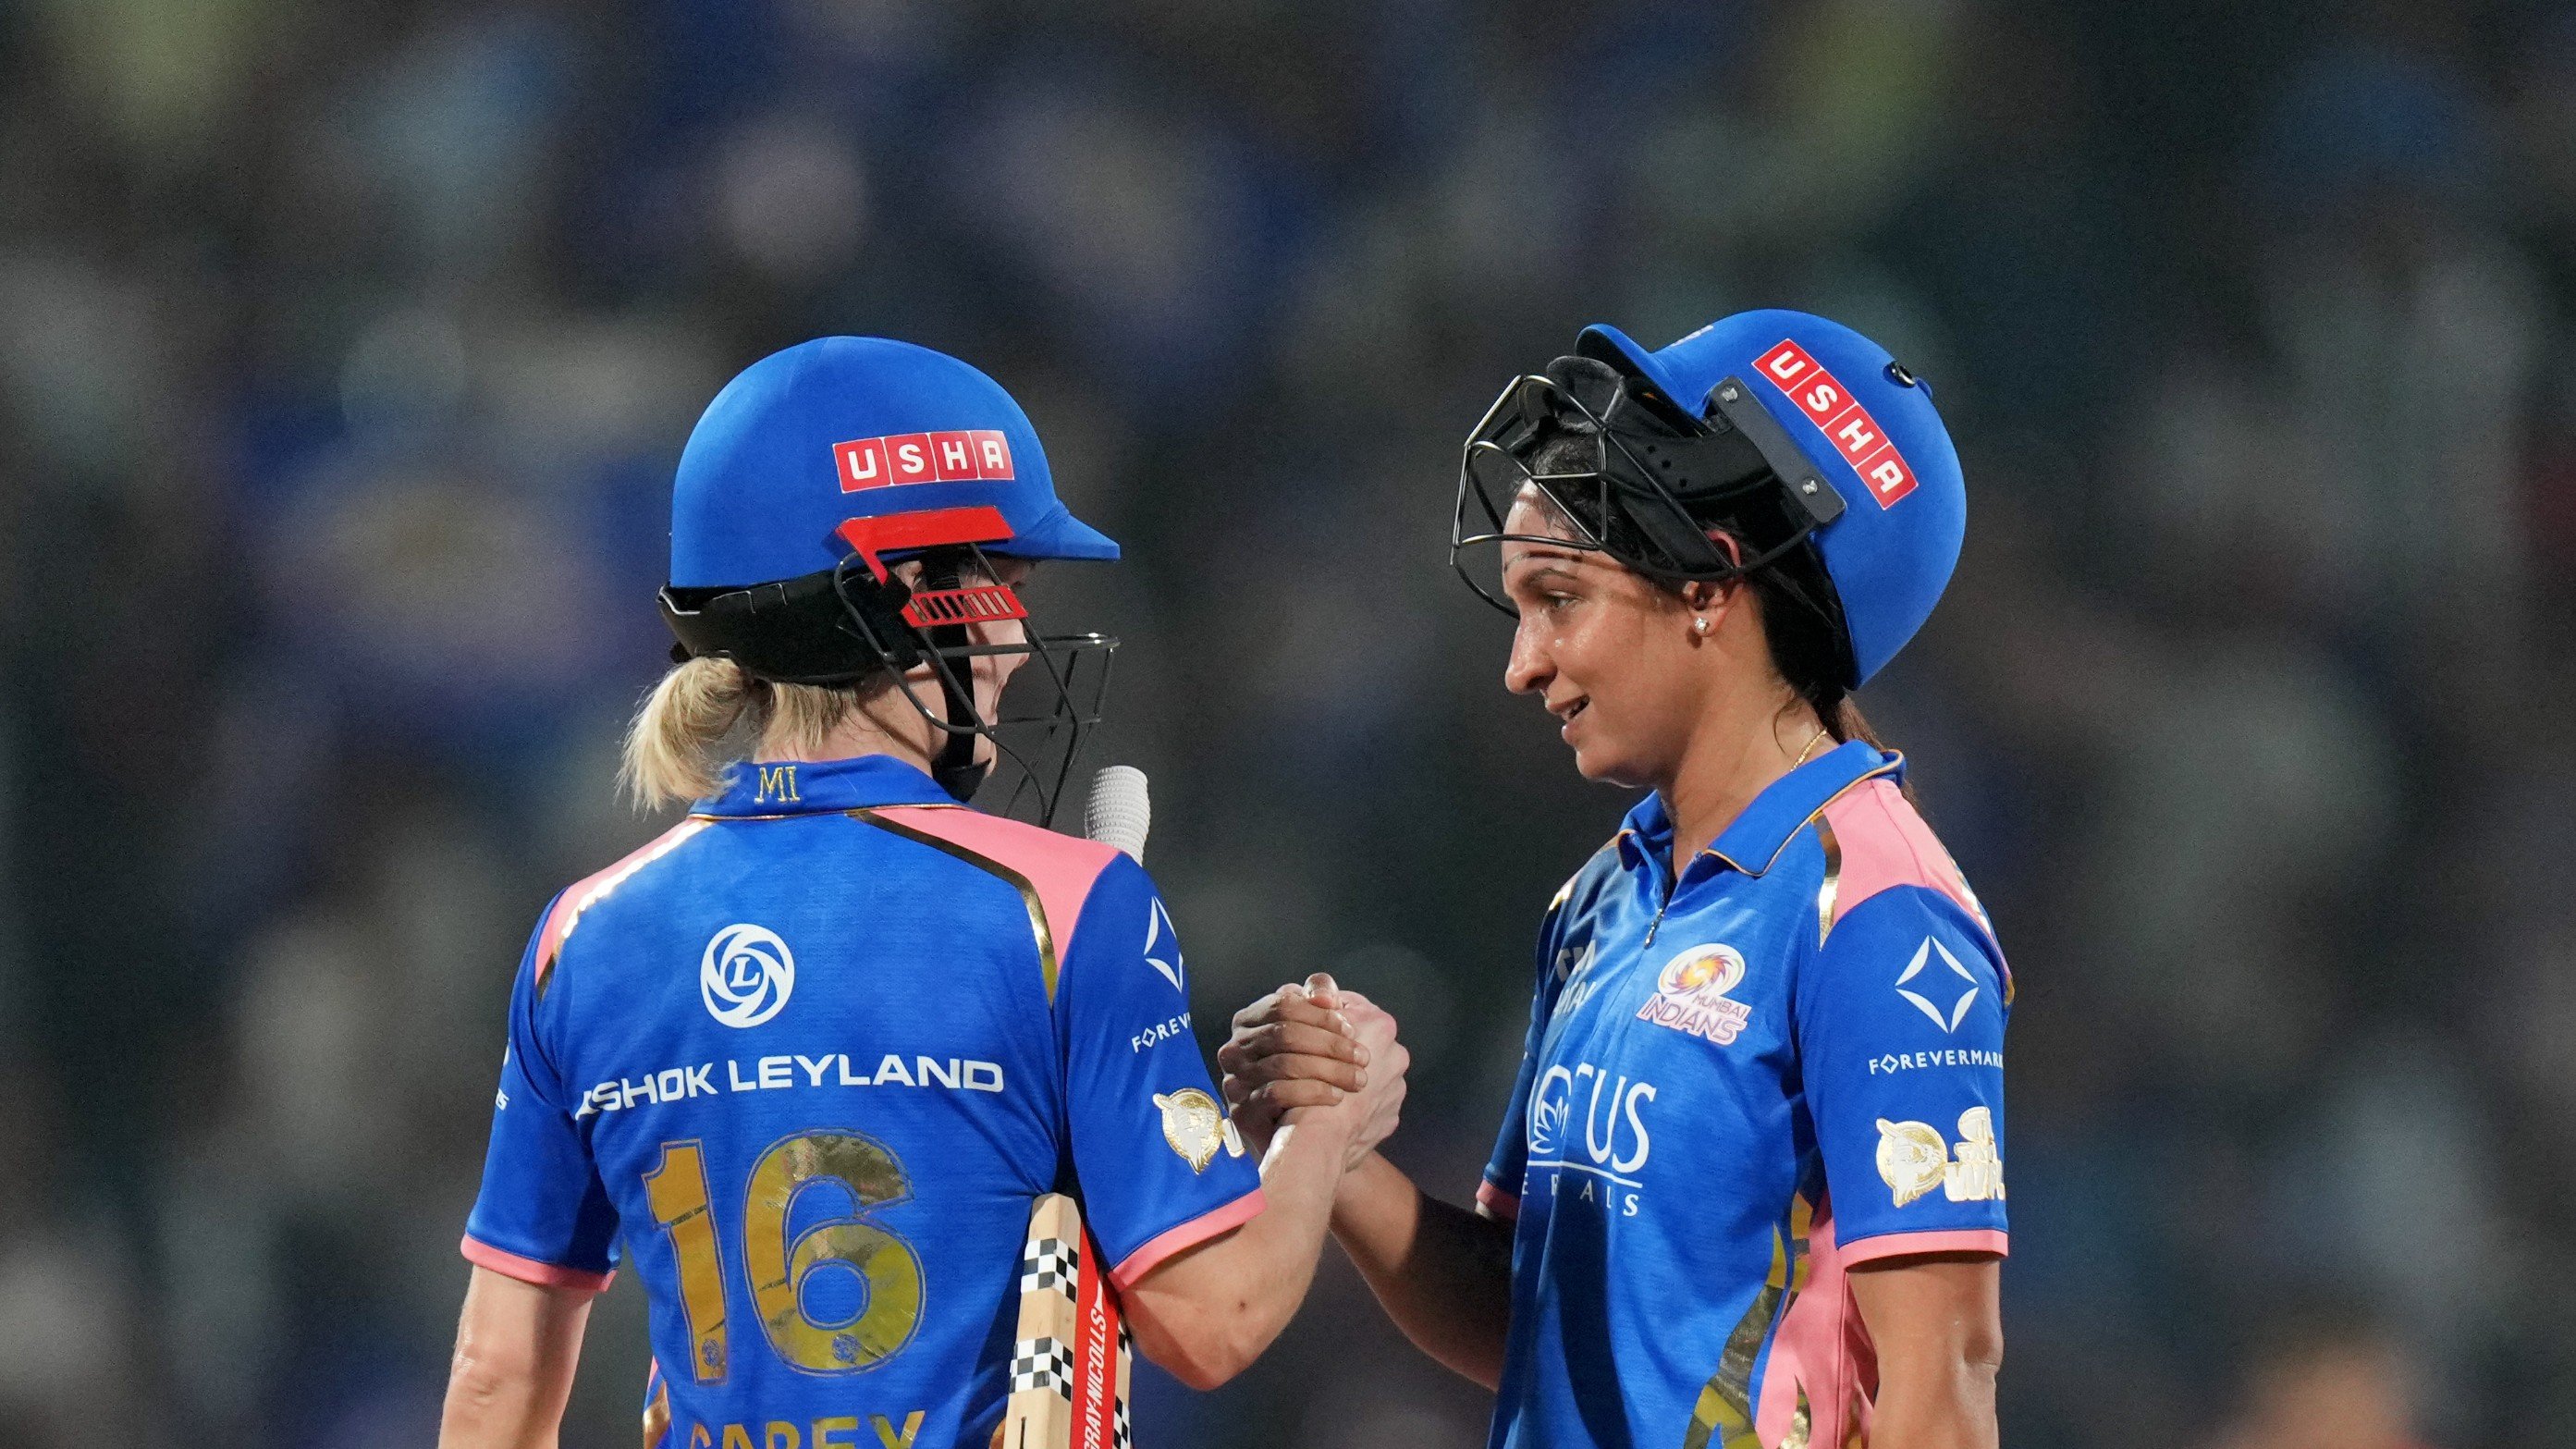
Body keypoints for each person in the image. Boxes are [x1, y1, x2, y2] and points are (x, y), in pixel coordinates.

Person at [436, 337, 1405, 1449]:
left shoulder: (582, 936)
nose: (1017, 645)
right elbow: (1212, 1319)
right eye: (1003, 588)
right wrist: (1323, 1124)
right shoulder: (1063, 907)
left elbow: (495, 1382)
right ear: (893, 596)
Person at [1222, 312, 2009, 1448]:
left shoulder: (1876, 915)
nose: (1520, 665)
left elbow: (1945, 1386)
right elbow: (1530, 1313)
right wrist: (1333, 1151)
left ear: (1709, 585)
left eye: (1558, 599)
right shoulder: (1604, 896)